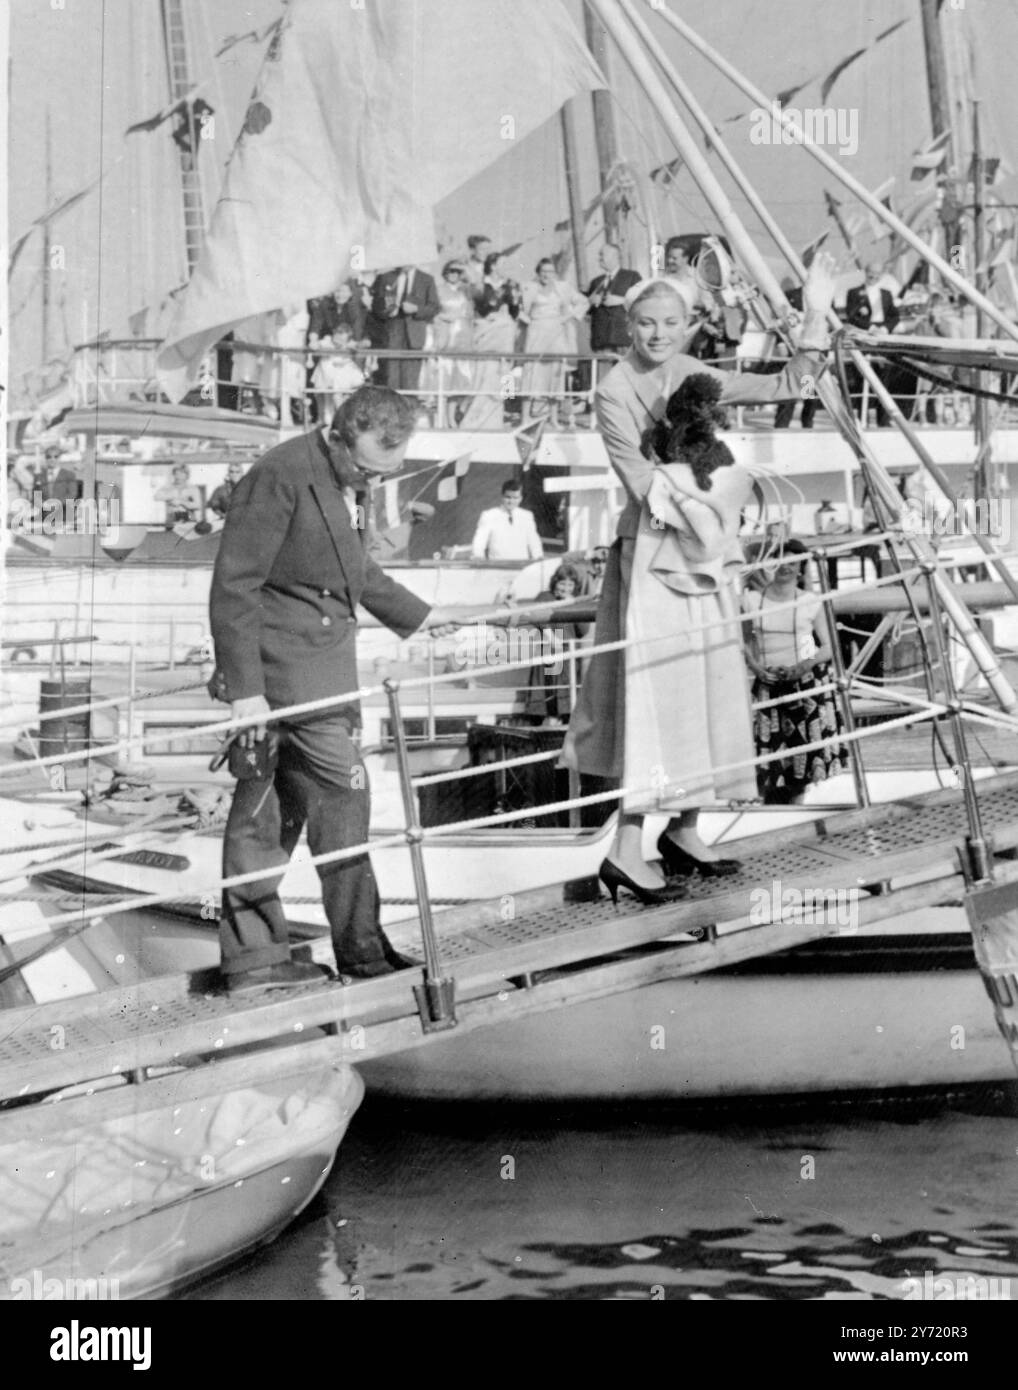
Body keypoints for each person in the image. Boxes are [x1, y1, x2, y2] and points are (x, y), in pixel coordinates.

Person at [564, 253, 836, 902]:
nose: (657, 335)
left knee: (713, 683)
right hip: (656, 559)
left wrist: (818, 311)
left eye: (669, 323)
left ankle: (684, 830)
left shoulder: (691, 371)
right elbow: (641, 483)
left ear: (689, 326)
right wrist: (712, 509)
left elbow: (787, 385)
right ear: (628, 328)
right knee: (655, 698)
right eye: (645, 324)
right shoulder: (612, 392)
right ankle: (626, 850)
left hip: (704, 552)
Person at [209, 385, 459, 993]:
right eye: (368, 470)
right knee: (344, 804)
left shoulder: (348, 475)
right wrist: (246, 693)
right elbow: (235, 585)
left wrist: (422, 617)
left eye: (387, 473)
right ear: (339, 434)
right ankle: (363, 954)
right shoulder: (281, 475)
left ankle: (254, 961)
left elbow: (355, 572)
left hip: (318, 674)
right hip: (286, 680)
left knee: (265, 815)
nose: (373, 482)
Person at [743, 539, 847, 804]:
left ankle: (795, 808)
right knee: (766, 758)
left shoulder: (812, 601)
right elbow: (741, 642)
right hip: (766, 682)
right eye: (779, 562)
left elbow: (829, 646)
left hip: (803, 683)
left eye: (792, 563)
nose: (785, 568)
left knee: (801, 761)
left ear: (801, 568)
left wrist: (802, 667)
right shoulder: (751, 600)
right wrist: (756, 668)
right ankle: (765, 811)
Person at [519, 258, 587, 426]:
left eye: (550, 272)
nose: (546, 275)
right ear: (538, 273)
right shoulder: (529, 288)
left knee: (554, 375)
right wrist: (528, 321)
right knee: (531, 373)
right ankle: (525, 417)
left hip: (556, 333)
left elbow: (583, 302)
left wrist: (567, 316)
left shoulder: (563, 288)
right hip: (536, 333)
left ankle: (554, 418)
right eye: (543, 271)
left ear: (555, 274)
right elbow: (519, 309)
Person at [458, 252, 522, 430]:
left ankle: (501, 413)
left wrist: (508, 309)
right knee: (483, 372)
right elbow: (479, 306)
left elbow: (515, 311)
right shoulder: (480, 284)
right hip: (485, 332)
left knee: (503, 373)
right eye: (503, 263)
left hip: (504, 334)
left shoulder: (511, 285)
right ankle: (473, 416)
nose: (507, 267)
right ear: (493, 265)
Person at [524, 562, 590, 724]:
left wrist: (574, 605)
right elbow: (536, 614)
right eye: (562, 583)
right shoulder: (545, 596)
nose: (566, 588)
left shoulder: (575, 601)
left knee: (568, 699)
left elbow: (583, 630)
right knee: (545, 700)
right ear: (555, 583)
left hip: (569, 655)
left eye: (570, 584)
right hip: (549, 652)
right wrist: (549, 634)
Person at [418, 259, 475, 421]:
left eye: (458, 272)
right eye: (451, 271)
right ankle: (439, 418)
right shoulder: (438, 290)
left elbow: (471, 312)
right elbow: (432, 312)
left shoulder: (465, 291)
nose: (454, 275)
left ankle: (451, 419)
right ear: (445, 272)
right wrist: (445, 318)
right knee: (443, 377)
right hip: (443, 337)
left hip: (462, 339)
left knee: (459, 380)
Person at [845, 264, 901, 426]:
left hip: (882, 336)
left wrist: (884, 328)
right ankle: (861, 419)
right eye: (871, 273)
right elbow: (852, 316)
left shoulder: (887, 294)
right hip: (864, 335)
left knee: (884, 379)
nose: (874, 276)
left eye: (877, 274)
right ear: (866, 273)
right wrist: (870, 328)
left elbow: (894, 316)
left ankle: (883, 420)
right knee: (861, 377)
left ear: (881, 275)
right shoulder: (854, 293)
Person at [368, 265, 440, 391]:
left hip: (414, 332)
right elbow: (376, 305)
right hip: (392, 330)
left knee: (411, 378)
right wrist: (387, 311)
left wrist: (417, 309)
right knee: (391, 374)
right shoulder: (386, 277)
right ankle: (393, 407)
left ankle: (409, 407)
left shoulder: (426, 279)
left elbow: (435, 307)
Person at [582, 243, 641, 395]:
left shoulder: (632, 277)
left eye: (602, 255)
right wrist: (590, 301)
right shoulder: (596, 282)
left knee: (628, 380)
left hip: (623, 337)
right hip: (601, 339)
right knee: (603, 382)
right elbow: (585, 311)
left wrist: (621, 300)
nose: (599, 258)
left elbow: (643, 300)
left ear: (615, 257)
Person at [471, 479, 544, 561]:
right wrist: (478, 557)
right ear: (502, 496)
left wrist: (539, 557)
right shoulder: (489, 515)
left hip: (521, 567)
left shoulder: (527, 516)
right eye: (508, 497)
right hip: (498, 567)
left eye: (515, 498)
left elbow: (534, 542)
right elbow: (479, 541)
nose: (511, 501)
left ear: (521, 498)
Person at [310, 326, 366, 418]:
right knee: (325, 402)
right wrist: (315, 344)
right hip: (326, 376)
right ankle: (326, 419)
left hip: (342, 377)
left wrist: (361, 344)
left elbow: (359, 345)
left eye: (342, 340)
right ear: (334, 334)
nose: (338, 341)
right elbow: (315, 345)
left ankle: (342, 417)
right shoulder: (326, 341)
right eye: (337, 337)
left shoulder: (349, 344)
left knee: (340, 395)